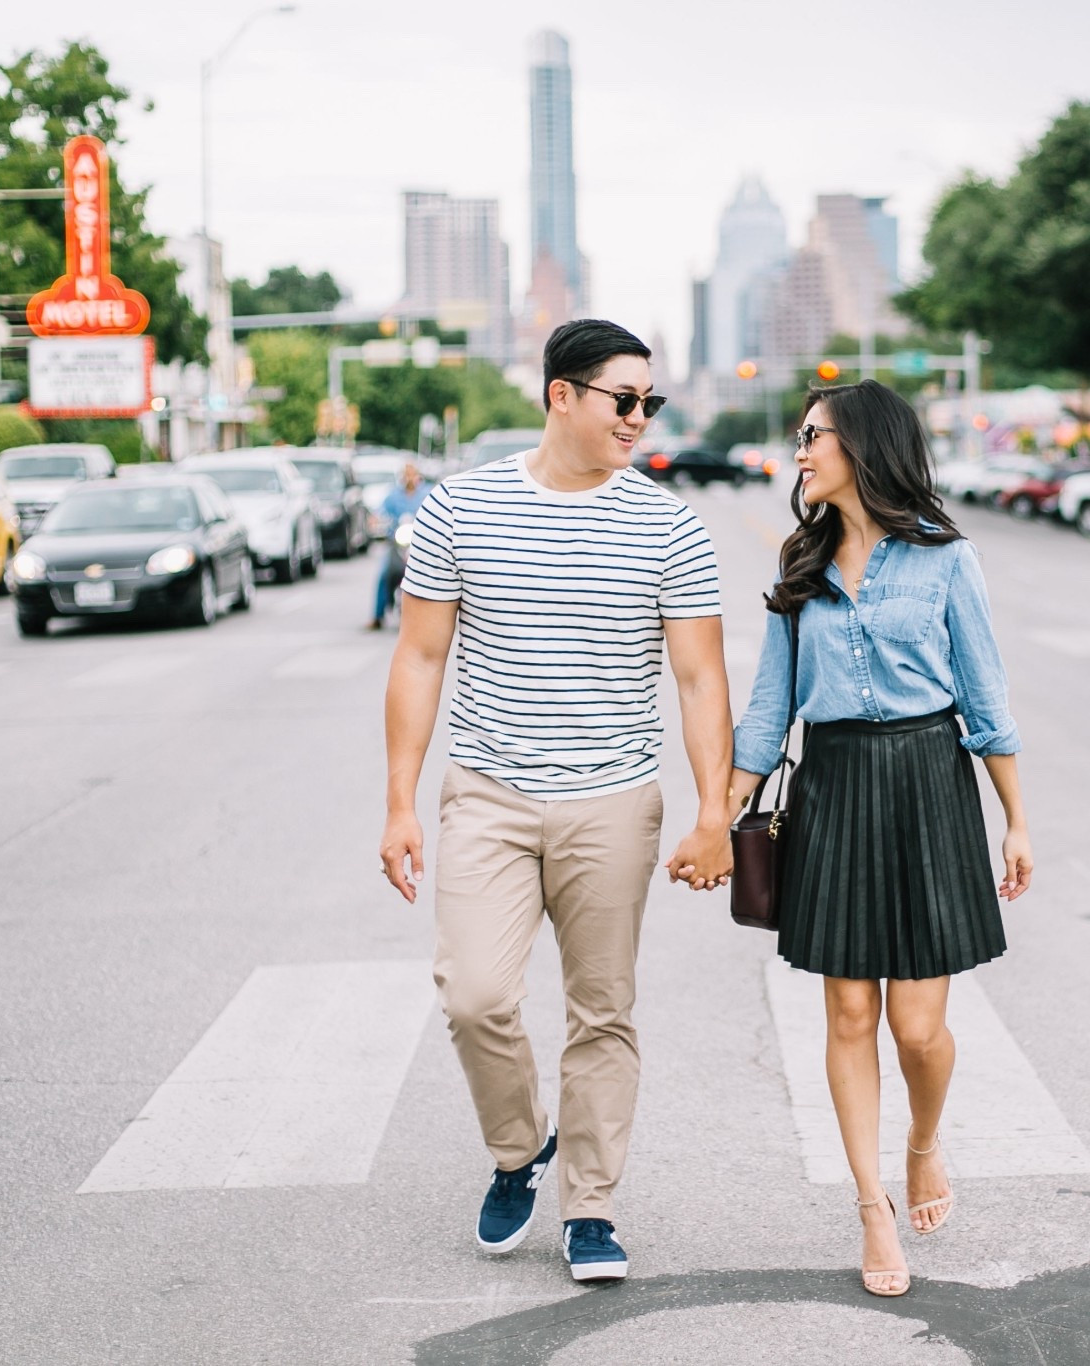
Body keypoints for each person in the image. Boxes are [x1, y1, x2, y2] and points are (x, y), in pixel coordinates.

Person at [377, 319, 736, 1285]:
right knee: (475, 996)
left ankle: (591, 1207)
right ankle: (518, 1148)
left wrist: (714, 813)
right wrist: (401, 803)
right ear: (561, 396)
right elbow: (419, 657)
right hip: (488, 794)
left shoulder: (668, 525)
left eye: (649, 401)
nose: (639, 417)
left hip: (613, 802)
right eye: (624, 399)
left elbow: (700, 679)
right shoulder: (460, 508)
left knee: (602, 1011)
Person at [728, 379, 1034, 1300]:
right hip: (835, 786)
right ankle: (871, 1207)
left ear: (862, 445)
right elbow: (769, 709)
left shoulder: (945, 558)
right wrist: (719, 816)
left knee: (919, 1029)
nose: (800, 452)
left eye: (812, 437)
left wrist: (1017, 821)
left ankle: (924, 1142)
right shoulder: (802, 562)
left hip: (929, 783)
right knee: (851, 1016)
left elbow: (985, 696)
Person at [368, 461, 428, 630]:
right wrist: (375, 520)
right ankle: (377, 616)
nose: (409, 478)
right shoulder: (393, 495)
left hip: (420, 545)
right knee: (384, 573)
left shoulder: (427, 494)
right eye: (406, 475)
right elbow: (380, 512)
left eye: (412, 474)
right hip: (397, 543)